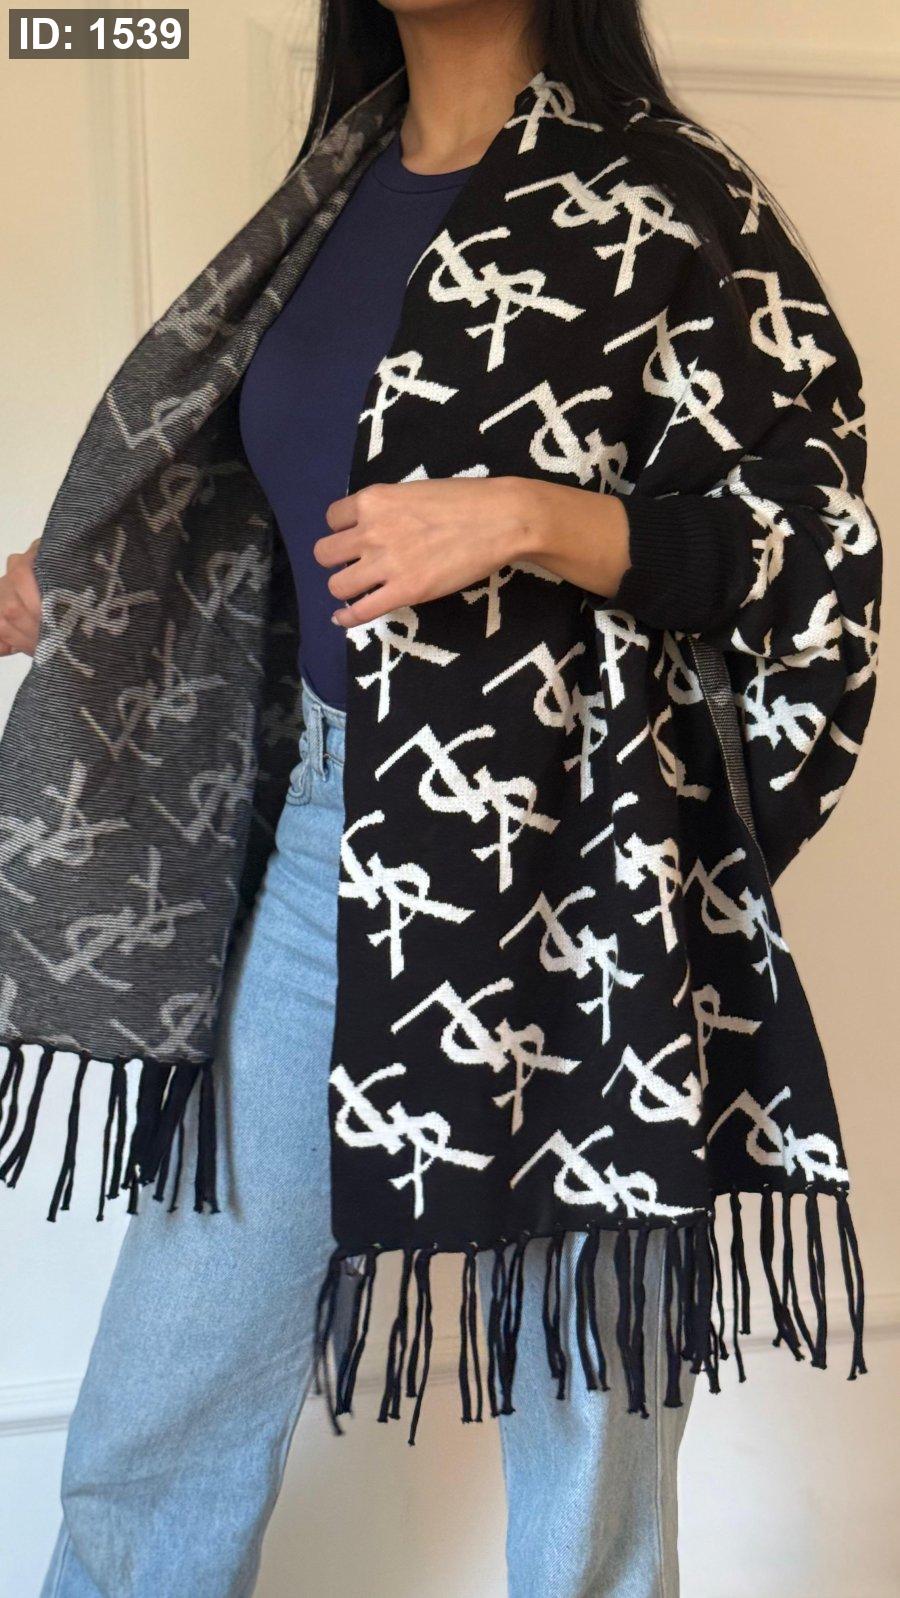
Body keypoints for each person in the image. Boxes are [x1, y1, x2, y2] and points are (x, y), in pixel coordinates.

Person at [0, 2, 881, 1595]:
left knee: (589, 1435)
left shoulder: (670, 203)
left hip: (580, 868)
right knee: (167, 1392)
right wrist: (98, 590)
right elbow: (277, 519)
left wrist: (538, 518)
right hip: (319, 848)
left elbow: (813, 548)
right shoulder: (331, 195)